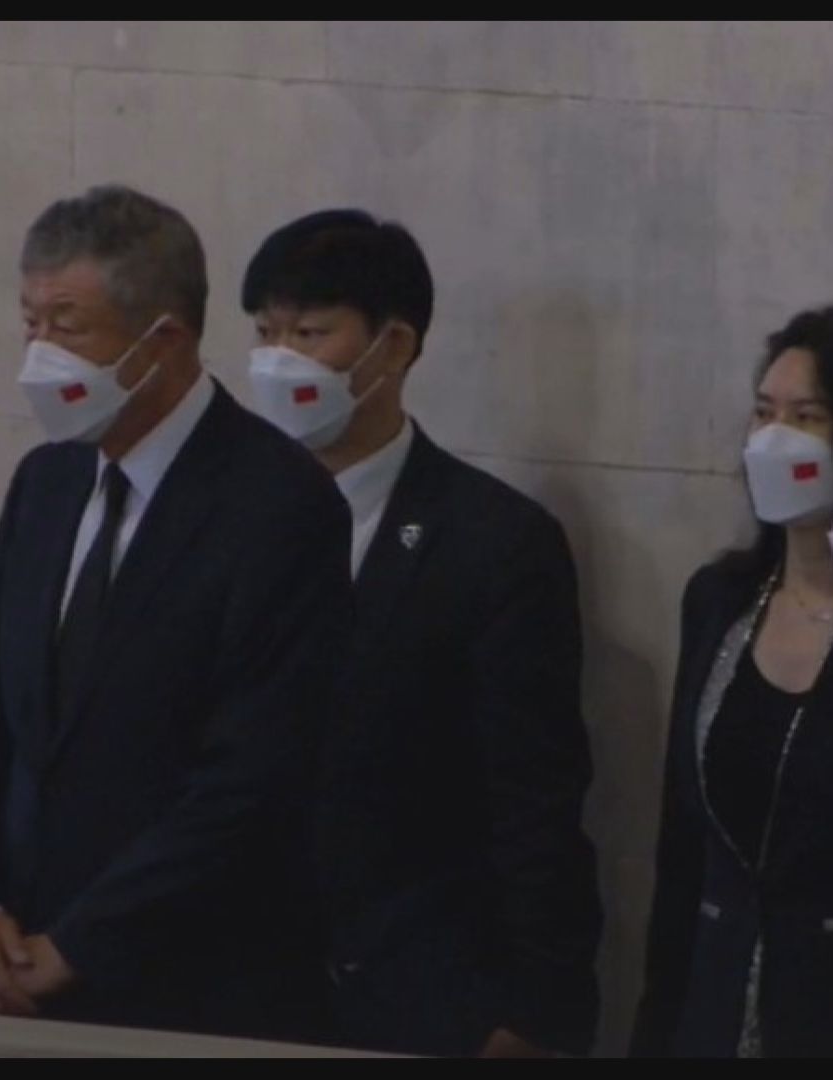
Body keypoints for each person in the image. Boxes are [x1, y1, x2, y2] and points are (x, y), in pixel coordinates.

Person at [0, 185, 351, 1043]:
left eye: (67, 327)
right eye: (30, 323)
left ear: (164, 342)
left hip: (196, 997)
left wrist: (82, 944)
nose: (40, 356)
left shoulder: (279, 503)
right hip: (19, 990)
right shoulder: (46, 483)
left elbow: (253, 778)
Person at [240, 208, 602, 1057]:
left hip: (423, 995)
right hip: (238, 987)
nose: (279, 360)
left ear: (393, 347)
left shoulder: (493, 543)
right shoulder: (224, 517)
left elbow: (533, 799)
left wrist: (534, 1008)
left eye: (309, 333)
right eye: (264, 333)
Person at [632, 305, 833, 1057]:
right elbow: (683, 846)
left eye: (807, 417)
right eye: (764, 413)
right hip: (710, 1010)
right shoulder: (720, 600)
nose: (774, 439)